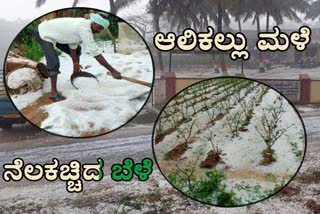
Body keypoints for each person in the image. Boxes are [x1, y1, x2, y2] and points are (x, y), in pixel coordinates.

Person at [34, 13, 122, 102]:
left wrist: (75, 64)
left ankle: (75, 73)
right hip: (43, 33)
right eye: (99, 27)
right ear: (94, 23)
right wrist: (112, 71)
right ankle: (53, 93)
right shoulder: (84, 28)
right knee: (54, 61)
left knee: (77, 50)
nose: (100, 31)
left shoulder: (84, 26)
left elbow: (73, 45)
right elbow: (96, 53)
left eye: (102, 29)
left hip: (57, 34)